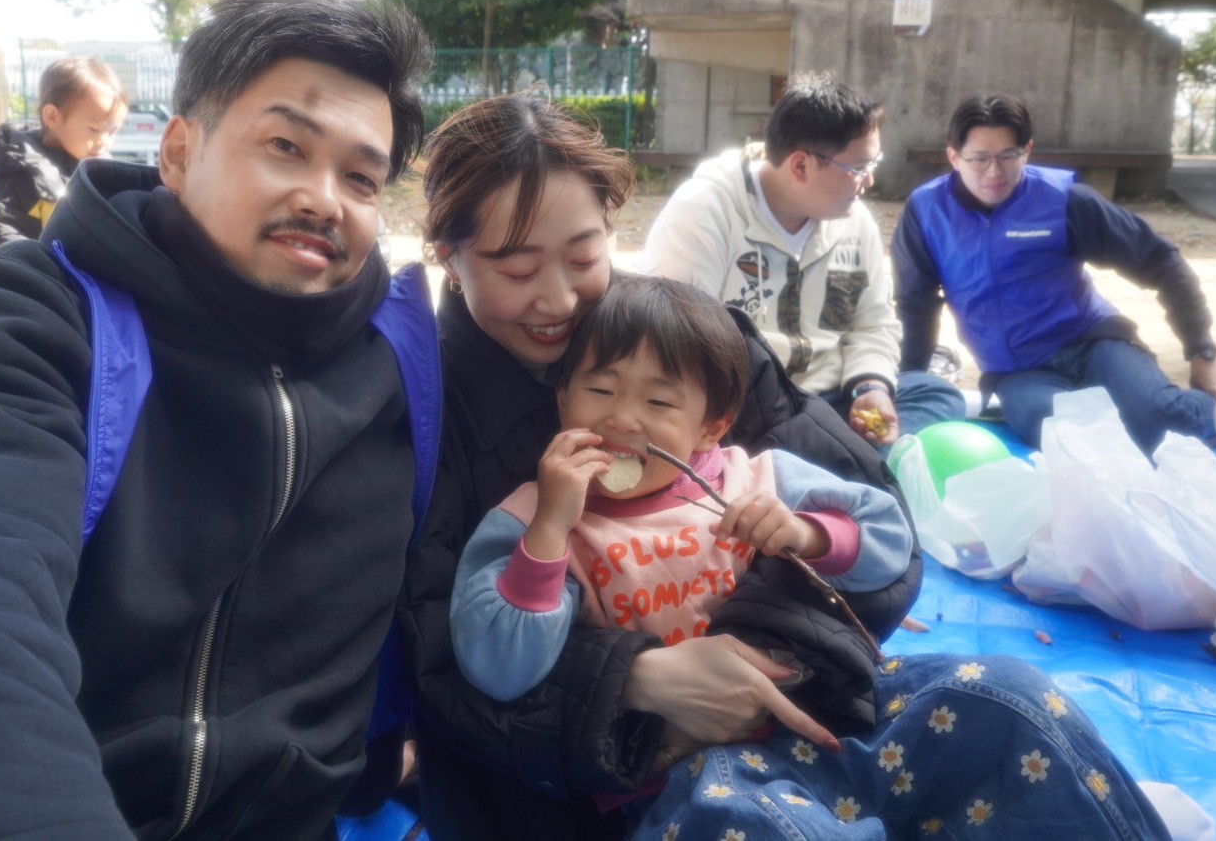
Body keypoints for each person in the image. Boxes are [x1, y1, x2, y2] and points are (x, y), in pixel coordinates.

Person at [0, 0, 436, 838]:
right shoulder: (19, 320)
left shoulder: (396, 367)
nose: (324, 198)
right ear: (178, 152)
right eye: (285, 146)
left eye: (361, 177)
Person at [402, 91, 1173, 841]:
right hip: (621, 775)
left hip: (806, 710)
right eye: (516, 268)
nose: (560, 299)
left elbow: (874, 519)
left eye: (582, 256)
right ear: (448, 258)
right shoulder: (438, 429)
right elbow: (444, 666)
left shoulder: (692, 346)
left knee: (1010, 703)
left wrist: (761, 646)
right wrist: (636, 679)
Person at [451, 275, 912, 708]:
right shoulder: (531, 517)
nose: (622, 419)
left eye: (658, 401)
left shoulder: (759, 480)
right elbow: (497, 668)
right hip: (658, 751)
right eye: (601, 390)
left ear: (712, 428)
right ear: (563, 399)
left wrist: (807, 535)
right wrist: (550, 530)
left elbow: (889, 542)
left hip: (801, 715)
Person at [641, 73, 964, 451]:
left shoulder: (855, 222)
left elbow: (873, 323)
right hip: (746, 409)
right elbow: (678, 339)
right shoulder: (705, 211)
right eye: (859, 168)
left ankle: (836, 459)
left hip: (831, 399)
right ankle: (851, 461)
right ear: (800, 165)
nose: (869, 181)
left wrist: (870, 386)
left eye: (873, 164)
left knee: (936, 393)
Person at [893, 93, 1216, 454]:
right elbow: (915, 304)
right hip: (1016, 370)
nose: (995, 171)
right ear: (954, 157)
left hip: (1093, 343)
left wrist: (1201, 352)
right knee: (1066, 436)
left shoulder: (1064, 200)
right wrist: (909, 385)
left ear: (1028, 151)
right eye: (980, 158)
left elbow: (1160, 261)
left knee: (1159, 420)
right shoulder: (926, 212)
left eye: (1008, 155)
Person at [0, 56, 128, 247]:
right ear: (52, 117)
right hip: (35, 263)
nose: (104, 142)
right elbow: (5, 232)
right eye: (95, 129)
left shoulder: (99, 171)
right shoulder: (21, 170)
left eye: (113, 131)